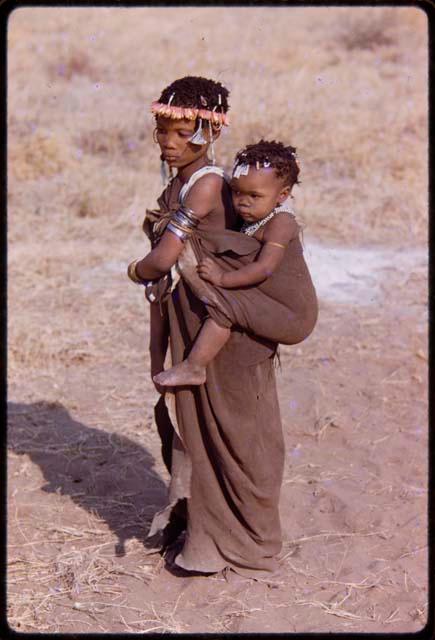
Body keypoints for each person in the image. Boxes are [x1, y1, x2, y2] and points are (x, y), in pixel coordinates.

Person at [127, 76, 317, 579]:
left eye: (181, 132)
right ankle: (206, 541)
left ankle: (249, 544)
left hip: (226, 330)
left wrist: (135, 270)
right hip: (199, 317)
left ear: (208, 132)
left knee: (235, 432)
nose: (168, 142)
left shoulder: (207, 182)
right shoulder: (195, 180)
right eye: (161, 131)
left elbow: (166, 256)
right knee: (203, 430)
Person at [153, 140, 318, 387]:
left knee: (224, 306)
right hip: (270, 301)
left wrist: (222, 279)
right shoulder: (250, 220)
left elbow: (265, 268)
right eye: (237, 192)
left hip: (293, 314)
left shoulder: (281, 223)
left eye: (254, 195)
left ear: (282, 195)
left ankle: (195, 366)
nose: (243, 201)